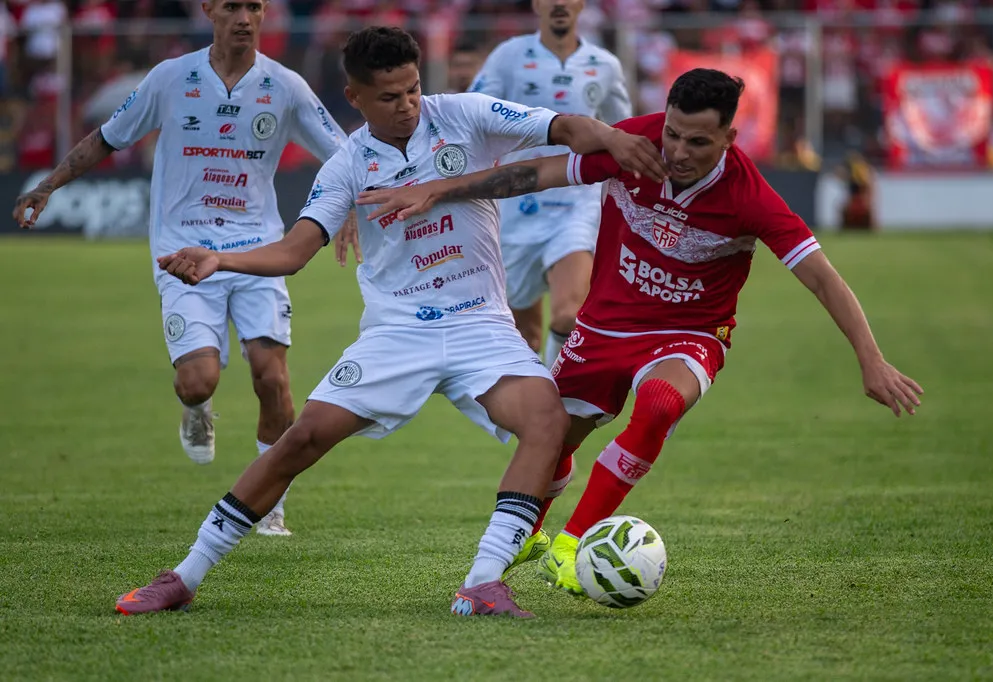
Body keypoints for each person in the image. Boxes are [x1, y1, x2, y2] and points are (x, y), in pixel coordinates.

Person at [113, 26, 668, 619]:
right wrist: (221, 258)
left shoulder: (466, 115)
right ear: (354, 97)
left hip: (481, 324)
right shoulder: (348, 164)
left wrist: (613, 138)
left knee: (546, 421)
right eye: (389, 97)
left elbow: (564, 129)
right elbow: (295, 251)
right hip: (398, 332)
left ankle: (482, 584)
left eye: (412, 90)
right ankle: (186, 573)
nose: (407, 105)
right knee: (301, 439)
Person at [355, 68, 925, 594]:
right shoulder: (636, 145)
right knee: (552, 438)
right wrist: (437, 189)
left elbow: (823, 279)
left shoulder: (749, 196)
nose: (676, 151)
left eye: (697, 142)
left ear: (729, 138)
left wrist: (871, 360)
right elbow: (536, 174)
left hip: (690, 331)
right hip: (604, 326)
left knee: (656, 404)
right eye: (673, 133)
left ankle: (572, 543)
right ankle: (531, 531)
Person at [12, 0, 345, 537]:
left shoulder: (285, 85)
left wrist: (346, 207)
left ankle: (271, 503)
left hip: (256, 250)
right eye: (232, 6)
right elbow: (108, 137)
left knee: (273, 378)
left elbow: (344, 153)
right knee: (196, 381)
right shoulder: (170, 79)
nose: (244, 17)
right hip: (183, 252)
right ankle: (198, 408)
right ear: (208, 9)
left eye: (255, 7)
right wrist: (48, 185)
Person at [469, 0, 632, 365]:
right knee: (523, 337)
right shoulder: (508, 56)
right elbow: (473, 113)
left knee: (568, 315)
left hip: (576, 207)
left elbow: (625, 133)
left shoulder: (604, 66)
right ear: (537, 5)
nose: (559, 3)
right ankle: (529, 413)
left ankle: (556, 401)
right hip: (514, 209)